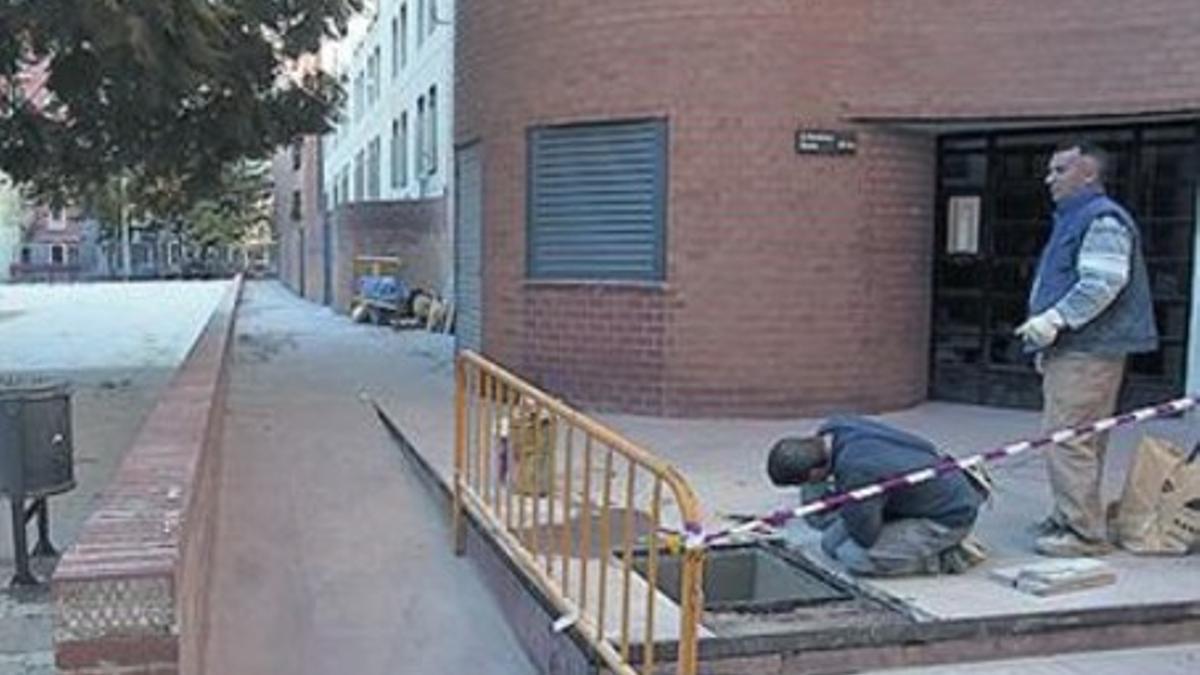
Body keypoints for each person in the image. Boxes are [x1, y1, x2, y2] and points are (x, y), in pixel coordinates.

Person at [1015, 141, 1158, 557]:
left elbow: (1102, 283)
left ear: (1089, 174)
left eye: (1059, 170)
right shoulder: (1076, 218)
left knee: (1069, 438)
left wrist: (1055, 320)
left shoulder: (1101, 219)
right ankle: (1071, 517)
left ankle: (1081, 534)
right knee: (1080, 437)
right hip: (1080, 347)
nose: (1049, 179)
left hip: (1088, 349)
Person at [767, 416, 987, 577]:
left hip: (948, 515)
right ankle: (905, 531)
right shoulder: (836, 428)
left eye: (808, 481)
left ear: (815, 472)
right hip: (921, 494)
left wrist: (849, 504)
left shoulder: (858, 472)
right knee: (829, 544)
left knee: (854, 557)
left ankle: (948, 556)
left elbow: (866, 536)